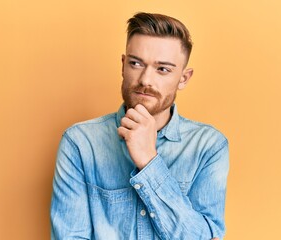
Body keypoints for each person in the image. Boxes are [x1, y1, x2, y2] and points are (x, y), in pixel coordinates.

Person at [50, 12, 229, 240]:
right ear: (123, 65)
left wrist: (149, 162)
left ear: (183, 78)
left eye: (162, 69)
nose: (145, 80)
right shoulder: (80, 142)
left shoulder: (209, 147)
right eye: (136, 63)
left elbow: (203, 236)